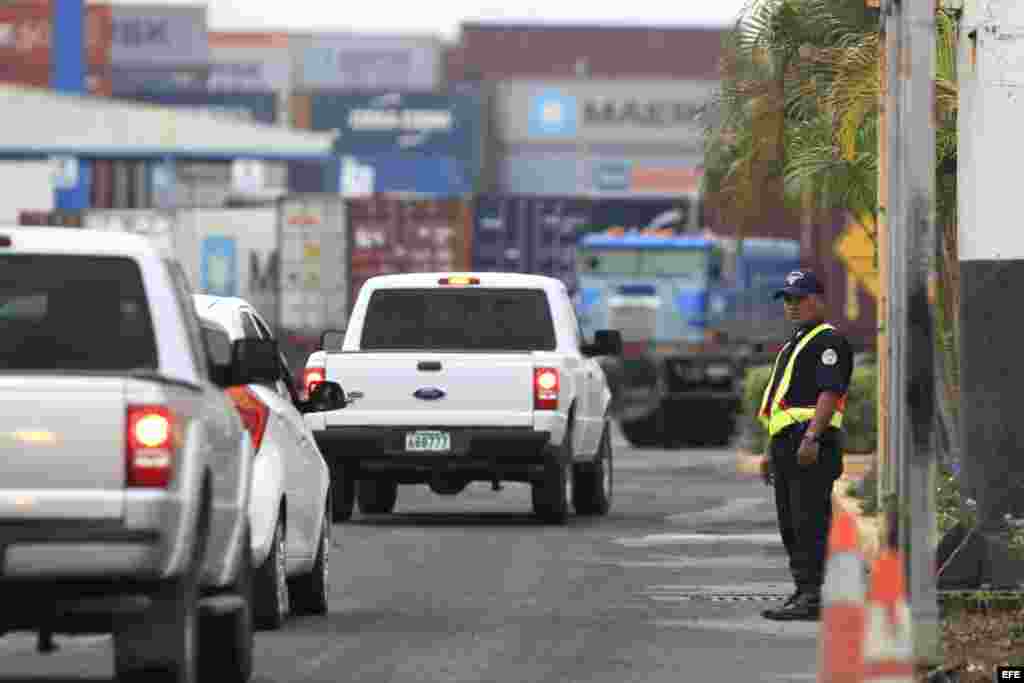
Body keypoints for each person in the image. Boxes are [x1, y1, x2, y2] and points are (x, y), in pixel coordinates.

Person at [758, 269, 854, 621]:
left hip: (810, 443)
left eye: (799, 299)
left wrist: (812, 436)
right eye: (787, 299)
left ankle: (814, 596)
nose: (792, 306)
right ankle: (803, 591)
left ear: (818, 300)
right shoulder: (795, 343)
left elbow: (830, 393)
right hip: (787, 444)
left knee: (809, 521)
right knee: (791, 523)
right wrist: (770, 450)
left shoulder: (828, 342)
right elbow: (779, 402)